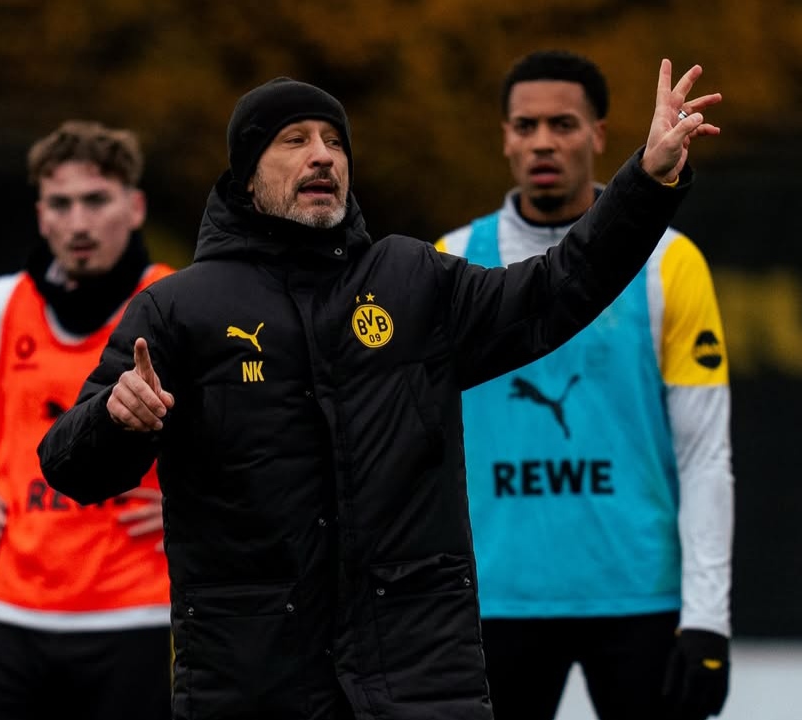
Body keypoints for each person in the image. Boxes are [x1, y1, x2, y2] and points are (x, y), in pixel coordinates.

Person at [38, 60, 721, 720]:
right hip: (250, 682)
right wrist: (115, 421)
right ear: (246, 175)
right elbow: (70, 467)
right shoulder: (177, 310)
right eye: (295, 141)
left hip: (417, 676)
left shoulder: (413, 279)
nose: (323, 156)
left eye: (335, 142)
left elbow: (556, 289)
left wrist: (647, 182)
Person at [435, 50, 733, 720]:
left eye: (563, 124)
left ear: (599, 134)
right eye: (526, 125)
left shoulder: (671, 262)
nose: (543, 141)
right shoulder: (447, 261)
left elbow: (705, 455)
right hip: (490, 601)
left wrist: (708, 618)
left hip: (640, 600)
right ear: (505, 137)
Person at [0, 120, 176, 720]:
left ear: (135, 208)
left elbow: (253, 426)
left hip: (140, 613)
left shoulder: (174, 304)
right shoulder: (3, 304)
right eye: (61, 204)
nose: (79, 222)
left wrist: (202, 504)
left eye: (97, 199)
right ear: (41, 217)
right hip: (18, 608)